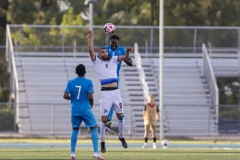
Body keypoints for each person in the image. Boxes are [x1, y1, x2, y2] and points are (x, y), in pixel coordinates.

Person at [86, 28, 132, 153]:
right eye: (101, 52)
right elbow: (90, 50)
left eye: (105, 52)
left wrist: (127, 52)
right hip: (105, 93)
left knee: (121, 116)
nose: (104, 53)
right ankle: (102, 142)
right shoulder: (97, 62)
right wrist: (90, 38)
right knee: (104, 119)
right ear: (99, 54)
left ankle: (121, 137)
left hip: (116, 92)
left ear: (108, 53)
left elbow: (125, 57)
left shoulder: (113, 59)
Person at [63, 64, 104, 160]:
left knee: (75, 130)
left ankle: (73, 154)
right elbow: (90, 96)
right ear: (85, 72)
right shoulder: (89, 82)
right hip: (85, 108)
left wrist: (72, 98)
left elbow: (65, 96)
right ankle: (95, 152)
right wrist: (91, 105)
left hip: (74, 109)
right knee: (94, 128)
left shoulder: (71, 82)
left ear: (76, 72)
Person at [104, 35, 133, 134]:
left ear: (118, 43)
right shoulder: (105, 49)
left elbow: (131, 63)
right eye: (112, 42)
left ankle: (107, 122)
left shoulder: (121, 50)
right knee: (106, 101)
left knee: (113, 102)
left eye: (115, 43)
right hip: (105, 79)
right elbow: (101, 58)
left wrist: (123, 58)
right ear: (109, 42)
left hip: (115, 79)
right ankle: (106, 122)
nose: (114, 44)